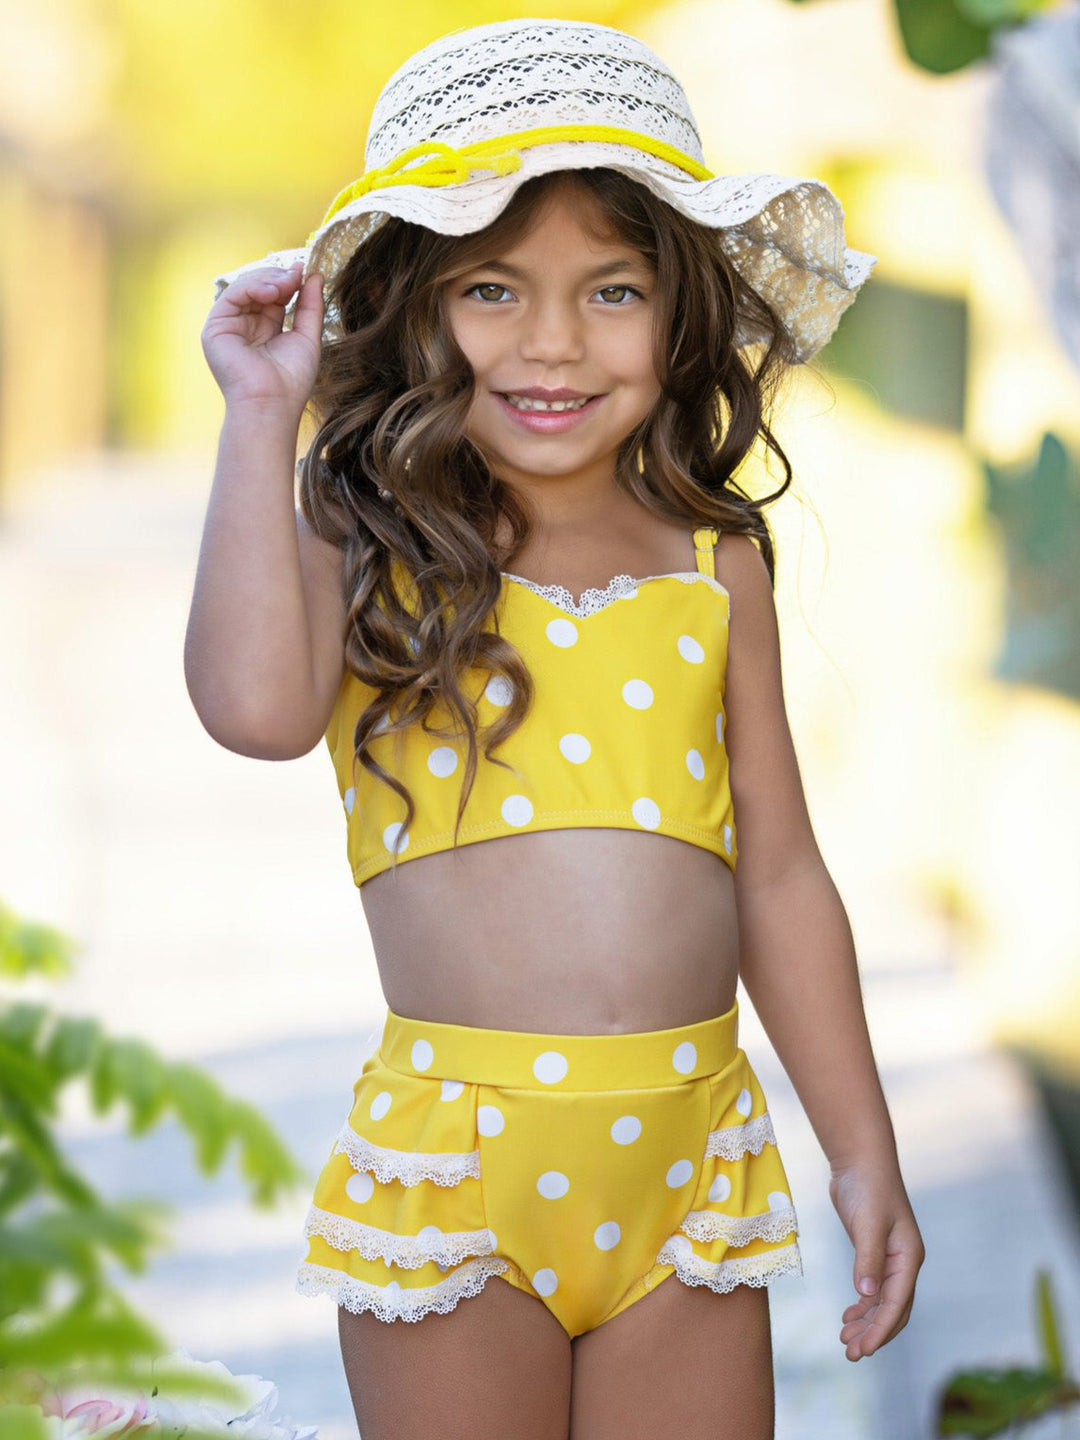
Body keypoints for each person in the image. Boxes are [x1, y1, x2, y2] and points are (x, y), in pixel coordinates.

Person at [191, 17, 925, 1439]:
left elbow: (779, 875)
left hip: (689, 1171)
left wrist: (860, 1145)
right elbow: (252, 711)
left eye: (613, 290)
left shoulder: (715, 565)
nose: (552, 342)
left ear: (681, 311)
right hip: (456, 1181)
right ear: (412, 304)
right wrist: (259, 421)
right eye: (491, 287)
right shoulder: (369, 539)